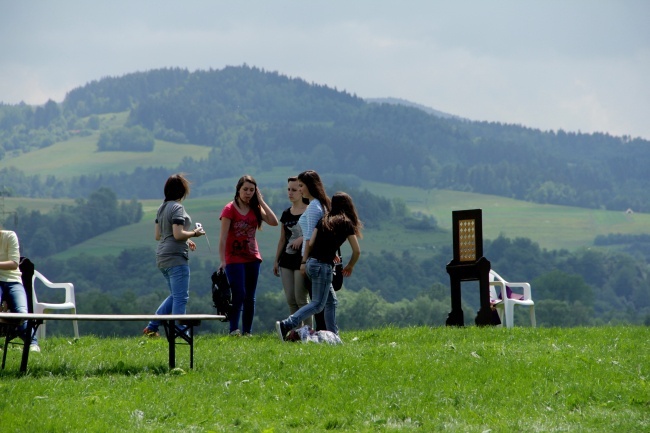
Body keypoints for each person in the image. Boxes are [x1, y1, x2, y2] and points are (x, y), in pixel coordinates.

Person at [276, 191, 363, 340]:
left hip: (311, 263)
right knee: (317, 304)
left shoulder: (323, 220)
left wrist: (322, 254)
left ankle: (334, 335)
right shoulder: (346, 223)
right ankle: (287, 324)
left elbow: (312, 241)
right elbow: (356, 251)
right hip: (323, 266)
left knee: (331, 301)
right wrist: (350, 266)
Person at [143, 173, 205, 337]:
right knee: (181, 298)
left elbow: (159, 235)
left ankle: (152, 327)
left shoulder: (161, 208)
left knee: (175, 295)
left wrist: (185, 240)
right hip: (176, 258)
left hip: (162, 257)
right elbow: (177, 234)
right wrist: (194, 233)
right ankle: (180, 332)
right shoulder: (177, 208)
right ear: (182, 191)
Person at [219, 175, 278, 337]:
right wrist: (222, 260)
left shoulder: (255, 208)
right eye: (245, 189)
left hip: (252, 257)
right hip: (234, 257)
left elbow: (274, 222)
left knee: (250, 297)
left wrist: (261, 201)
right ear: (238, 190)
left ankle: (247, 331)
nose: (248, 193)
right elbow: (223, 237)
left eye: (252, 190)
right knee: (238, 293)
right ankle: (233, 329)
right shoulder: (229, 209)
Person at [296, 170, 331, 330]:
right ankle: (328, 332)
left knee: (316, 302)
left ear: (310, 186)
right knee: (327, 301)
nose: (300, 189)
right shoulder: (322, 205)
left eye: (301, 186)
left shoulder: (313, 208)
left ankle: (289, 324)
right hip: (321, 257)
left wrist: (304, 261)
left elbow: (309, 239)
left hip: (311, 259)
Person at [273, 176, 310, 326]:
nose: (290, 193)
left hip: (302, 259)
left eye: (294, 190)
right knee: (291, 300)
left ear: (301, 191)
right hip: (286, 260)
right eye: (288, 189)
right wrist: (276, 260)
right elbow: (282, 239)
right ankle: (296, 332)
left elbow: (315, 232)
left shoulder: (309, 211)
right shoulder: (286, 213)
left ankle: (308, 332)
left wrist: (301, 238)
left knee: (301, 299)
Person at [0, 227, 40, 352]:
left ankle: (32, 343)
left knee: (22, 311)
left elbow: (14, 263)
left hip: (13, 281)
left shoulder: (9, 236)